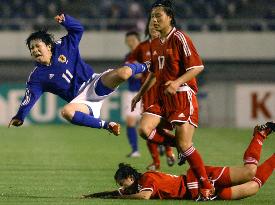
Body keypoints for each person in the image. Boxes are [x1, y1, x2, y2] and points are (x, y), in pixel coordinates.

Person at [8, 14, 148, 136]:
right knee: (66, 112)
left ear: (49, 46)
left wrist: (66, 20)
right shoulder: (37, 77)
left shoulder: (63, 46)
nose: (35, 50)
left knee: (123, 73)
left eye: (38, 46)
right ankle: (108, 125)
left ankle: (148, 65)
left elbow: (77, 30)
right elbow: (29, 97)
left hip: (95, 83)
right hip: (81, 102)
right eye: (32, 48)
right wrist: (20, 116)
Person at [131, 0, 213, 199]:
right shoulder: (157, 42)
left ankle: (206, 186)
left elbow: (197, 67)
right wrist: (140, 94)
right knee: (144, 129)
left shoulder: (180, 38)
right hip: (162, 97)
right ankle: (180, 146)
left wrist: (176, 83)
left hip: (183, 94)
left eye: (158, 15)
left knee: (186, 145)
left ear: (170, 17)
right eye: (152, 16)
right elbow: (153, 73)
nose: (155, 20)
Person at [82, 122, 275, 201]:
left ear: (131, 178)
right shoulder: (135, 186)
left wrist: (120, 198)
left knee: (249, 172)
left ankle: (259, 135)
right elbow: (113, 193)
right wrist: (91, 196)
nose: (121, 187)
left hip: (199, 180)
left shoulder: (146, 180)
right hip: (196, 193)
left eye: (122, 183)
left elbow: (144, 197)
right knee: (253, 187)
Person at [130, 17, 175, 170]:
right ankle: (158, 161)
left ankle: (171, 149)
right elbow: (130, 62)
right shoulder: (143, 47)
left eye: (156, 24)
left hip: (166, 91)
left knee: (159, 126)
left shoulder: (170, 43)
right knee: (148, 127)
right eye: (150, 24)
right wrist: (135, 70)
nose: (153, 27)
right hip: (149, 91)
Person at [123, 31, 142, 157]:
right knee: (130, 121)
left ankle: (163, 146)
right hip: (132, 93)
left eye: (133, 40)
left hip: (146, 92)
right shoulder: (127, 57)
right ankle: (135, 150)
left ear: (138, 40)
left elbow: (143, 74)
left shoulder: (145, 54)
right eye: (128, 41)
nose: (130, 43)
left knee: (150, 125)